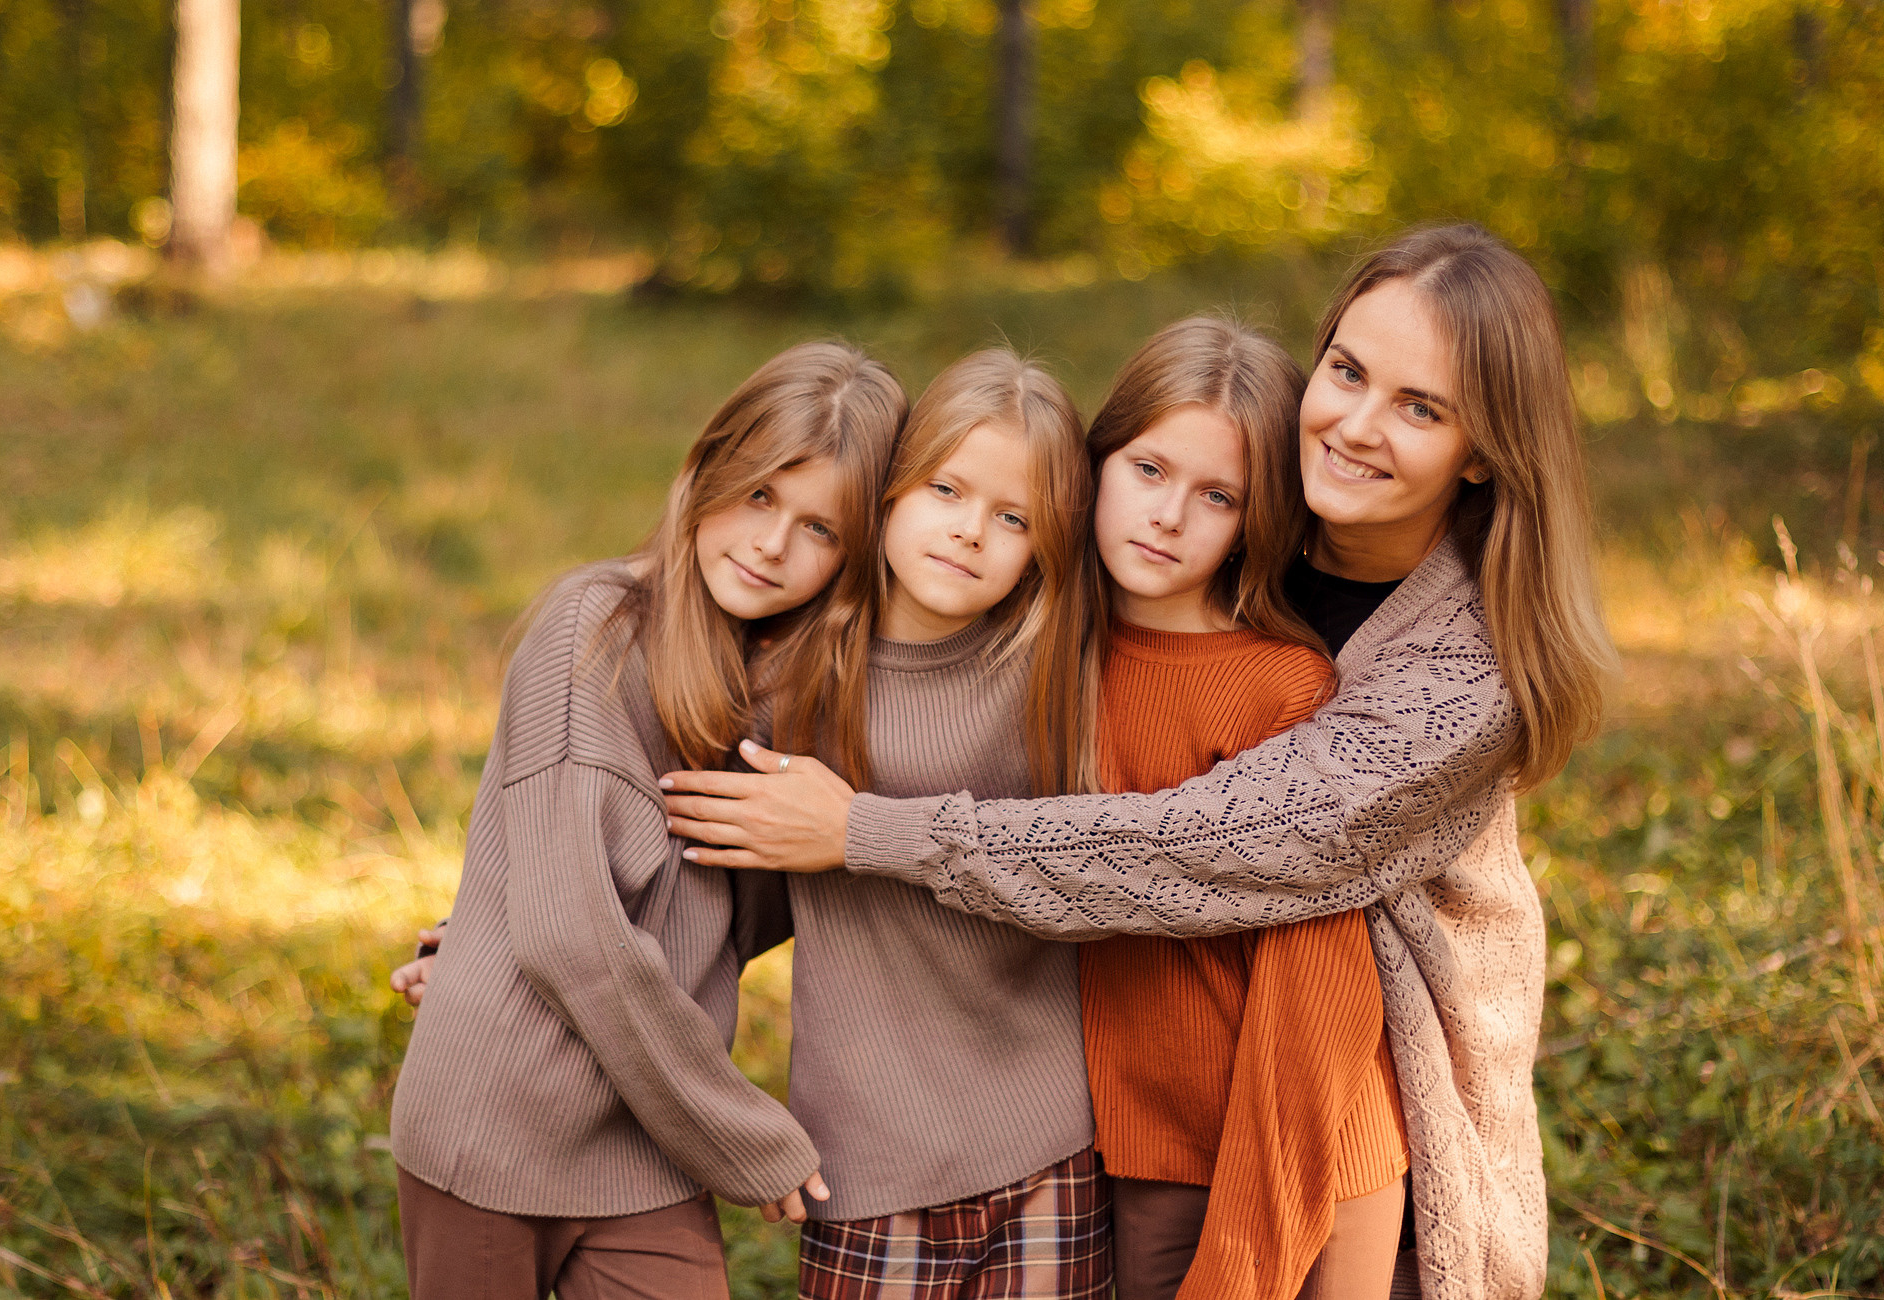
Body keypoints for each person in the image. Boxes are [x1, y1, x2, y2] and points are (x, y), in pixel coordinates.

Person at [659, 224, 1617, 1300]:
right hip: (1146, 1110)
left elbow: (1209, 844)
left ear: (1485, 449)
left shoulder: (1463, 670)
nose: (1355, 425)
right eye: (1348, 372)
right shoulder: (1222, 548)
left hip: (1369, 1108)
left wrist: (868, 830)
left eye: (1421, 408)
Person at [386, 341, 906, 1300]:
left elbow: (746, 907)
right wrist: (741, 1134)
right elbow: (571, 930)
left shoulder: (795, 692)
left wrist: (482, 933)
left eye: (819, 528)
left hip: (642, 1145)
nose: (772, 544)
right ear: (706, 471)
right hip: (495, 1122)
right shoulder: (595, 631)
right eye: (758, 495)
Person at [1069, 314, 1407, 1300]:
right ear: (1097, 461)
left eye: (1218, 496)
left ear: (1256, 523)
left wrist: (1248, 1254)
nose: (1168, 516)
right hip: (1150, 1147)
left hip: (1311, 1154)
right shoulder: (1054, 660)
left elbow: (1319, 990)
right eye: (1148, 469)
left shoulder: (1282, 687)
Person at [767, 347, 1110, 1300]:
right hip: (867, 1154)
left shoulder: (1056, 672)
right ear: (890, 490)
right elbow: (686, 862)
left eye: (1014, 518)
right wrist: (483, 939)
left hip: (1048, 1141)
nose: (970, 531)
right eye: (946, 490)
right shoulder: (794, 678)